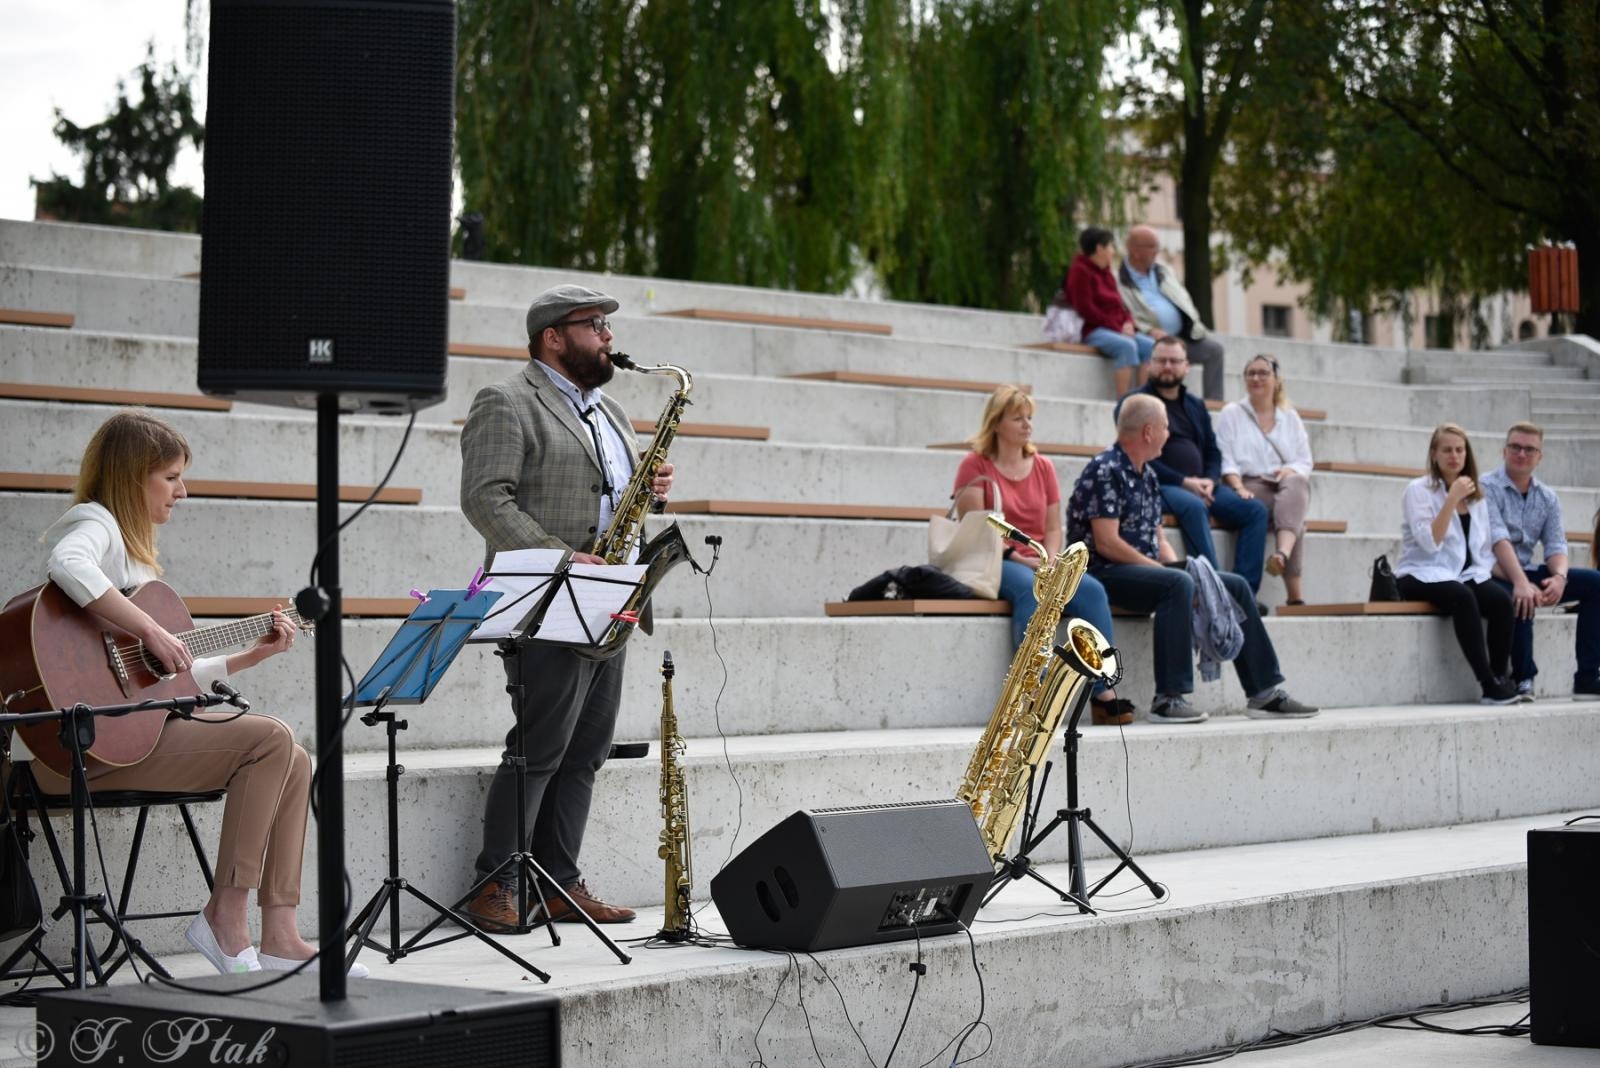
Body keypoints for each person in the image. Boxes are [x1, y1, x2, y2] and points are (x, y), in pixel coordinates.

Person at [34, 410, 363, 977]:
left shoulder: (132, 559)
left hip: (121, 738)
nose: (182, 492)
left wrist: (251, 655)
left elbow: (165, 673)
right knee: (271, 738)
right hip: (72, 752)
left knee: (295, 759)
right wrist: (150, 629)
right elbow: (66, 563)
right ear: (130, 476)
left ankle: (281, 934)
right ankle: (225, 918)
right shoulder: (95, 522)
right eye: (170, 477)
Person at [459, 283, 674, 929]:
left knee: (586, 752)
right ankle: (495, 883)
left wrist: (653, 492)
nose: (609, 335)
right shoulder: (505, 400)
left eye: (608, 324)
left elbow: (615, 498)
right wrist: (562, 558)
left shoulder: (611, 412)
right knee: (540, 748)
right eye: (594, 325)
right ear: (553, 337)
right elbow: (485, 499)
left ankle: (559, 883)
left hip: (612, 599)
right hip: (548, 598)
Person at [1066, 394, 1319, 723]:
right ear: (1148, 432)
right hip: (1103, 573)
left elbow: (1158, 539)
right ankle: (1168, 699)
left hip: (1141, 572)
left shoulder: (1147, 474)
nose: (1168, 434)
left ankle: (1264, 693)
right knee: (1177, 582)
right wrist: (1172, 574)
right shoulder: (1106, 469)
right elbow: (1107, 544)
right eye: (1165, 427)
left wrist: (1188, 572)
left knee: (1234, 585)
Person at [951, 386, 1133, 725]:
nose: (1027, 425)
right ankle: (1036, 691)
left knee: (1092, 591)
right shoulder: (974, 465)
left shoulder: (1043, 466)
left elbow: (1052, 527)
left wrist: (1049, 559)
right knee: (1029, 590)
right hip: (997, 559)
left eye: (1029, 417)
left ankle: (1102, 692)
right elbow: (976, 526)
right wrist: (1020, 557)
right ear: (996, 424)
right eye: (1017, 418)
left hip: (1040, 557)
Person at [1125, 336, 1270, 594]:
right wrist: (1184, 482)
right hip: (1158, 486)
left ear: (1186, 366)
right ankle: (1213, 591)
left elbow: (1213, 450)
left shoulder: (1195, 404)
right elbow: (1136, 454)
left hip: (1203, 485)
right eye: (1161, 360)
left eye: (1174, 361)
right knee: (1193, 506)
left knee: (1255, 511)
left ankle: (1241, 593)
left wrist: (1210, 481)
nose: (1167, 366)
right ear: (1150, 364)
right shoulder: (1135, 403)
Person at [1393, 424, 1519, 704]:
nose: (1454, 456)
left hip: (1461, 573)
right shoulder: (1418, 490)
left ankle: (1500, 677)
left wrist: (1515, 579)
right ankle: (1487, 683)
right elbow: (1430, 542)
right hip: (1419, 573)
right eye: (1447, 450)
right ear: (1434, 454)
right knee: (1463, 597)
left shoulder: (1476, 496)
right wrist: (1451, 499)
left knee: (1501, 601)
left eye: (1460, 450)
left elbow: (1482, 551)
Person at [1482, 423, 1600, 699]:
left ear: (1540, 456)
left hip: (1524, 570)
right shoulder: (1486, 487)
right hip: (1490, 571)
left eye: (1529, 449)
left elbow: (1556, 545)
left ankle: (1587, 678)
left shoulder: (1547, 497)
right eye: (1515, 447)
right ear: (1504, 451)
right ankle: (1523, 678)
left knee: (1596, 583)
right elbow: (1498, 540)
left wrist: (1559, 578)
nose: (1521, 454)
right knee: (1522, 596)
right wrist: (1522, 582)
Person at [1214, 354, 1314, 605]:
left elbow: (1304, 461)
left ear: (1277, 380)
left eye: (1263, 373)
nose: (1256, 378)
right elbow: (1226, 459)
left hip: (1283, 485)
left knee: (1297, 483)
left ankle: (1281, 553)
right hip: (1249, 485)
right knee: (1295, 517)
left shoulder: (1289, 416)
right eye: (1251, 373)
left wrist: (1289, 470)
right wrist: (1238, 486)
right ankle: (1295, 596)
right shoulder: (1232, 413)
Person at [1116, 225, 1226, 401]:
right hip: (1149, 338)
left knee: (1214, 351)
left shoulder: (1164, 271)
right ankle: (1149, 403)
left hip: (1181, 337)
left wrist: (1192, 325)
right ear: (1135, 251)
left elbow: (1183, 299)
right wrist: (1148, 330)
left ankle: (1213, 402)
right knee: (1154, 350)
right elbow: (1121, 313)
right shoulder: (1118, 279)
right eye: (1152, 247)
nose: (1157, 251)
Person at [1063, 227, 1155, 398]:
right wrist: (1118, 328)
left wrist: (1128, 323)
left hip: (1116, 329)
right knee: (1127, 346)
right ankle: (1123, 403)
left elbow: (1120, 305)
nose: (1113, 251)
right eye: (1110, 246)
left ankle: (1142, 400)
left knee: (1151, 346)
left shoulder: (1107, 272)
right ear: (1099, 249)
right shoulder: (1080, 271)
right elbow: (1086, 310)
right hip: (1092, 330)